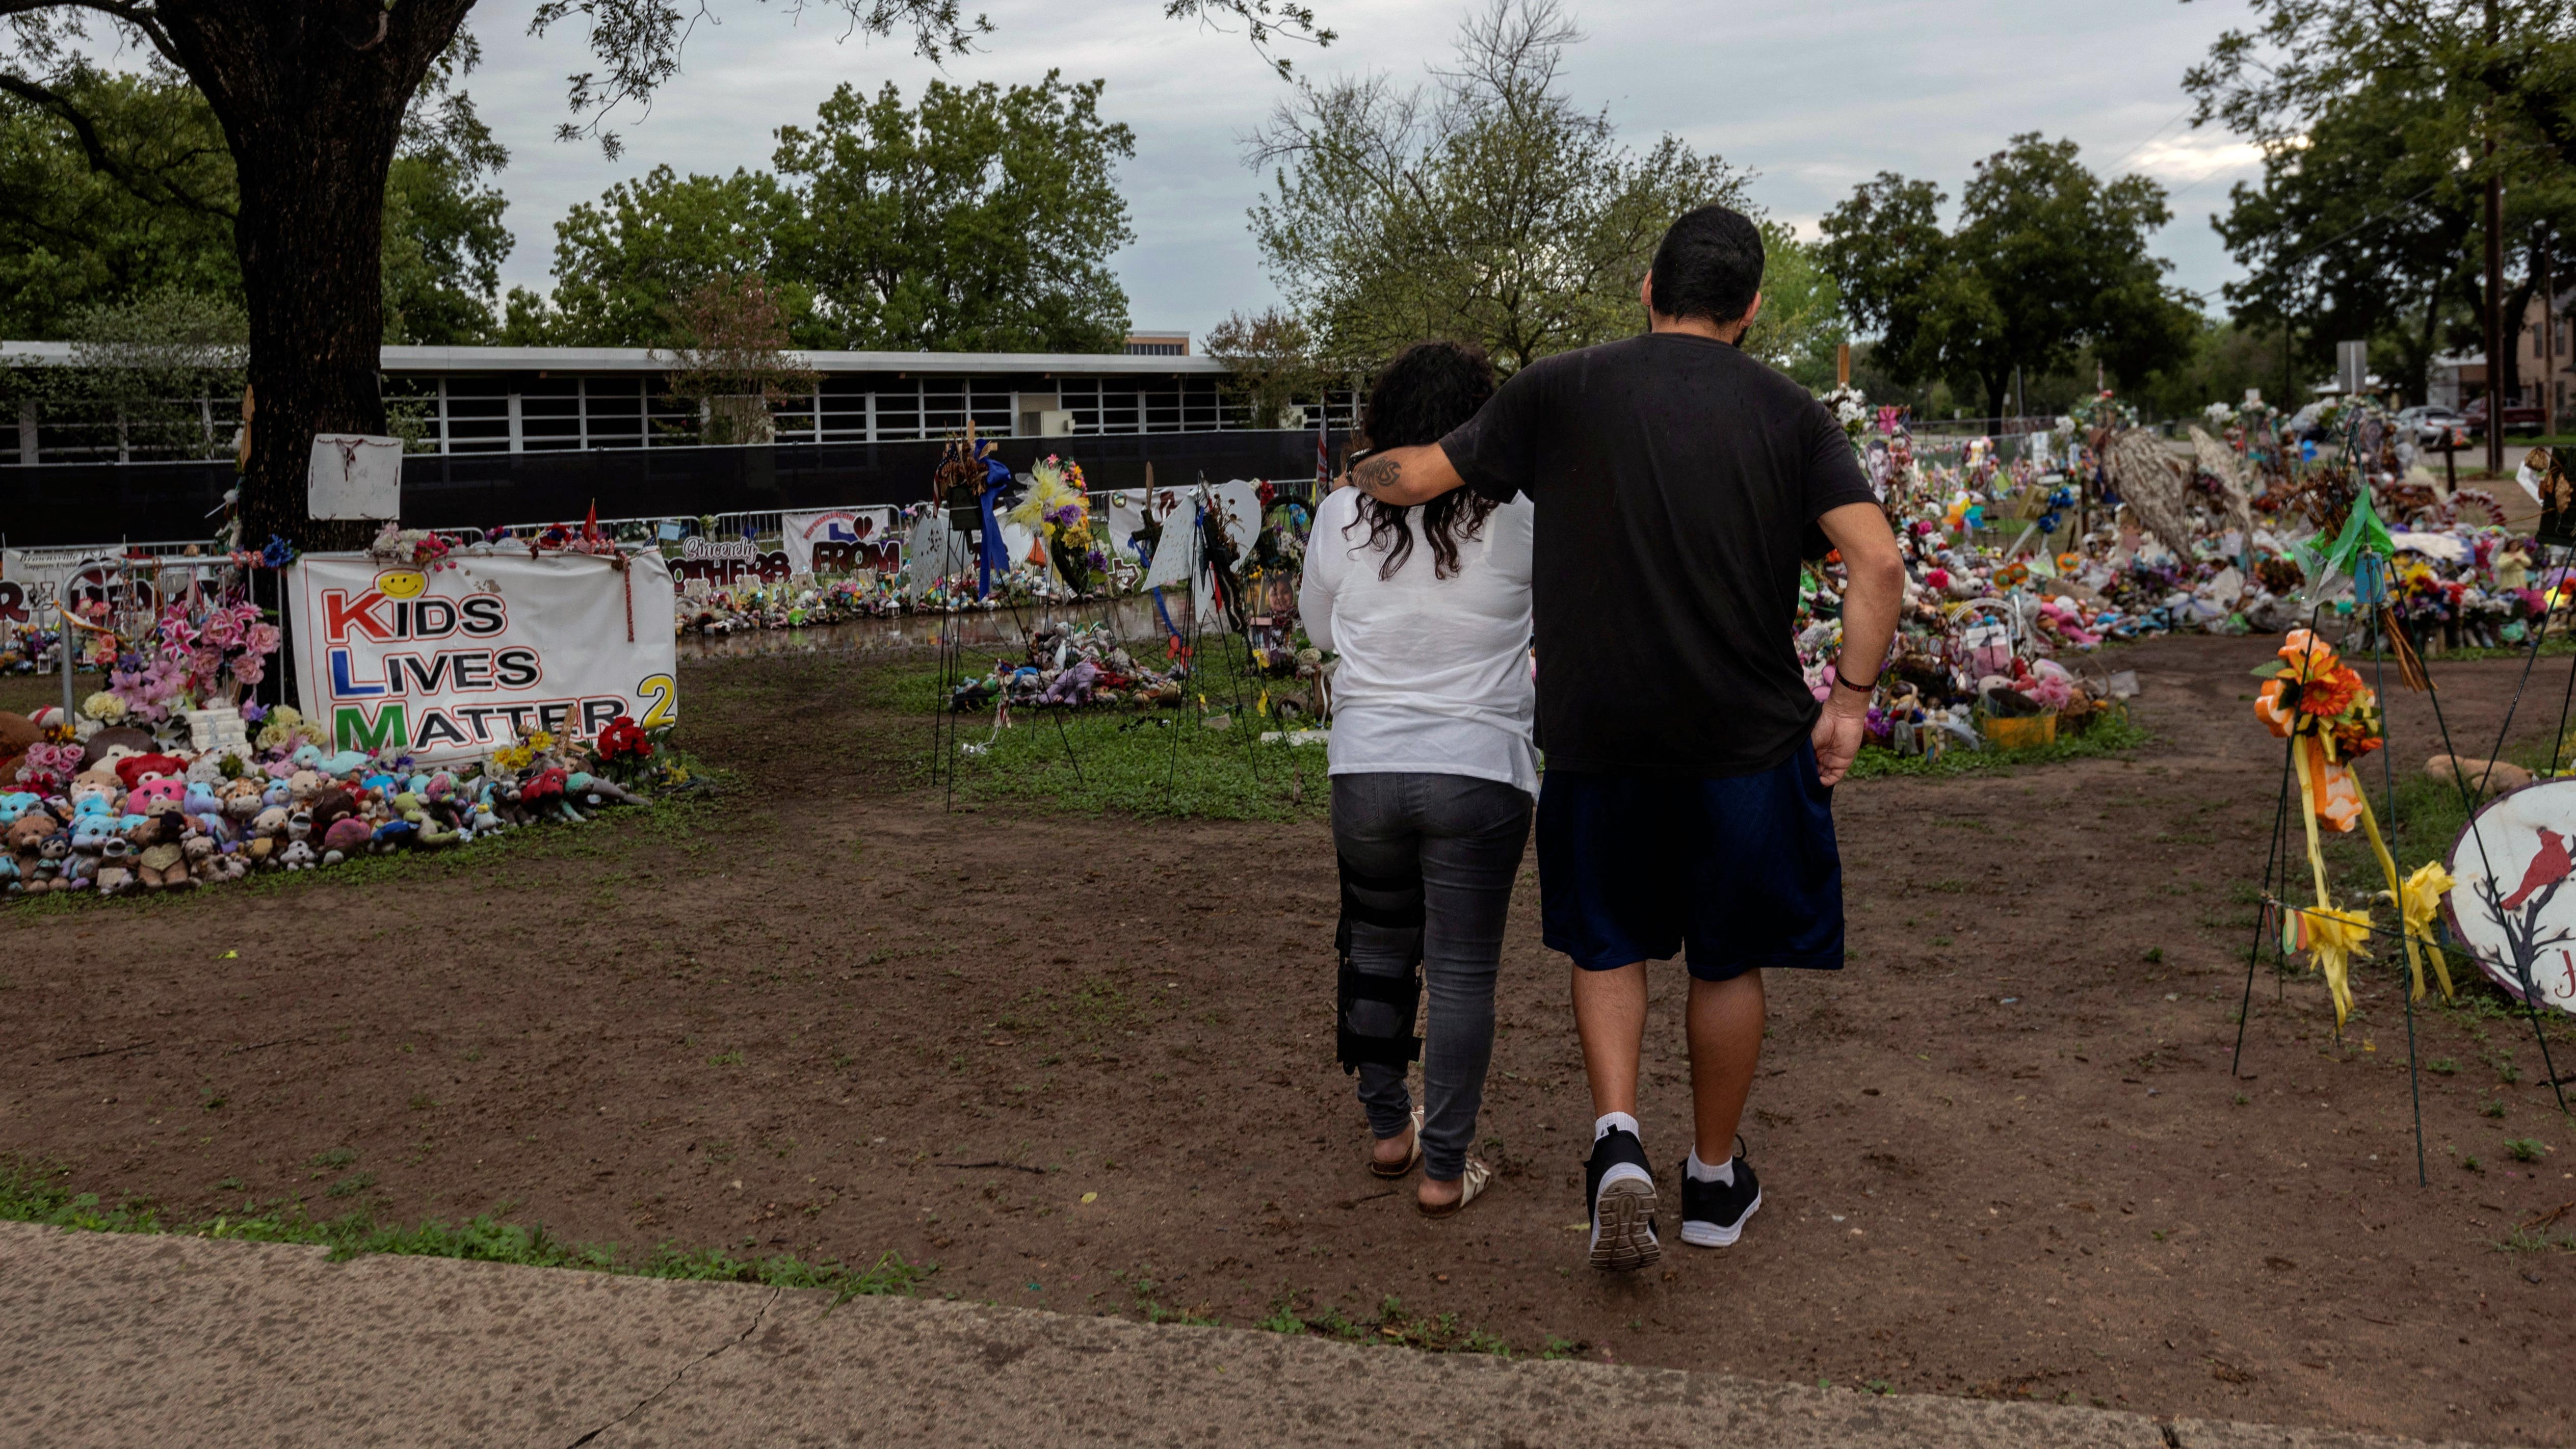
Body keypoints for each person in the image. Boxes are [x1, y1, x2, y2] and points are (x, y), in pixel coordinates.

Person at [1344, 205, 1906, 1270]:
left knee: (1607, 943)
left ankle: (1615, 1143)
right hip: (1742, 741)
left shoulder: (1558, 388)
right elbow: (1876, 566)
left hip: (1599, 738)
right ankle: (1708, 1179)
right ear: (1748, 310)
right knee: (1727, 962)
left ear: (1647, 290)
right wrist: (1848, 700)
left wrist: (1350, 473)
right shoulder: (1794, 416)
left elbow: (1413, 478)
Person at [1300, 339, 1536, 1217]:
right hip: (1479, 769)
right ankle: (1444, 1169)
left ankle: (1386, 1130)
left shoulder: (1339, 517)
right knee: (1464, 971)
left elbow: (1321, 635)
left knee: (1374, 947)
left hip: (1365, 767)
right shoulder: (1521, 515)